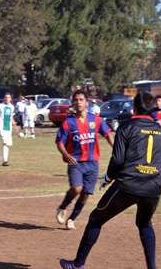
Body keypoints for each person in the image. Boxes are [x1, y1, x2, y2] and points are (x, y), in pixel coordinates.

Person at [59, 91, 161, 269]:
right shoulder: (160, 130)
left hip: (128, 186)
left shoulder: (126, 127)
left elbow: (117, 160)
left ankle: (78, 265)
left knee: (96, 219)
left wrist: (108, 177)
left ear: (134, 107)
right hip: (153, 188)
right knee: (145, 224)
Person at [55, 90, 114, 230]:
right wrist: (67, 156)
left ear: (87, 103)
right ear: (72, 103)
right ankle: (62, 207)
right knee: (77, 188)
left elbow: (108, 134)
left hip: (92, 163)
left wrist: (116, 148)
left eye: (81, 99)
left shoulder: (95, 119)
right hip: (75, 162)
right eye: (76, 100)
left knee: (86, 193)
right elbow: (59, 143)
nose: (78, 102)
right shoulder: (68, 122)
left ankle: (71, 219)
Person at [0, 93, 17, 166]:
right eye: (5, 97)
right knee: (5, 143)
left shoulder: (12, 107)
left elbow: (11, 117)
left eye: (8, 97)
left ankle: (5, 160)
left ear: (10, 99)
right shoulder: (1, 106)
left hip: (9, 128)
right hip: (2, 127)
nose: (7, 99)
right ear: (3, 99)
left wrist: (15, 126)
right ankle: (5, 161)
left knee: (7, 144)